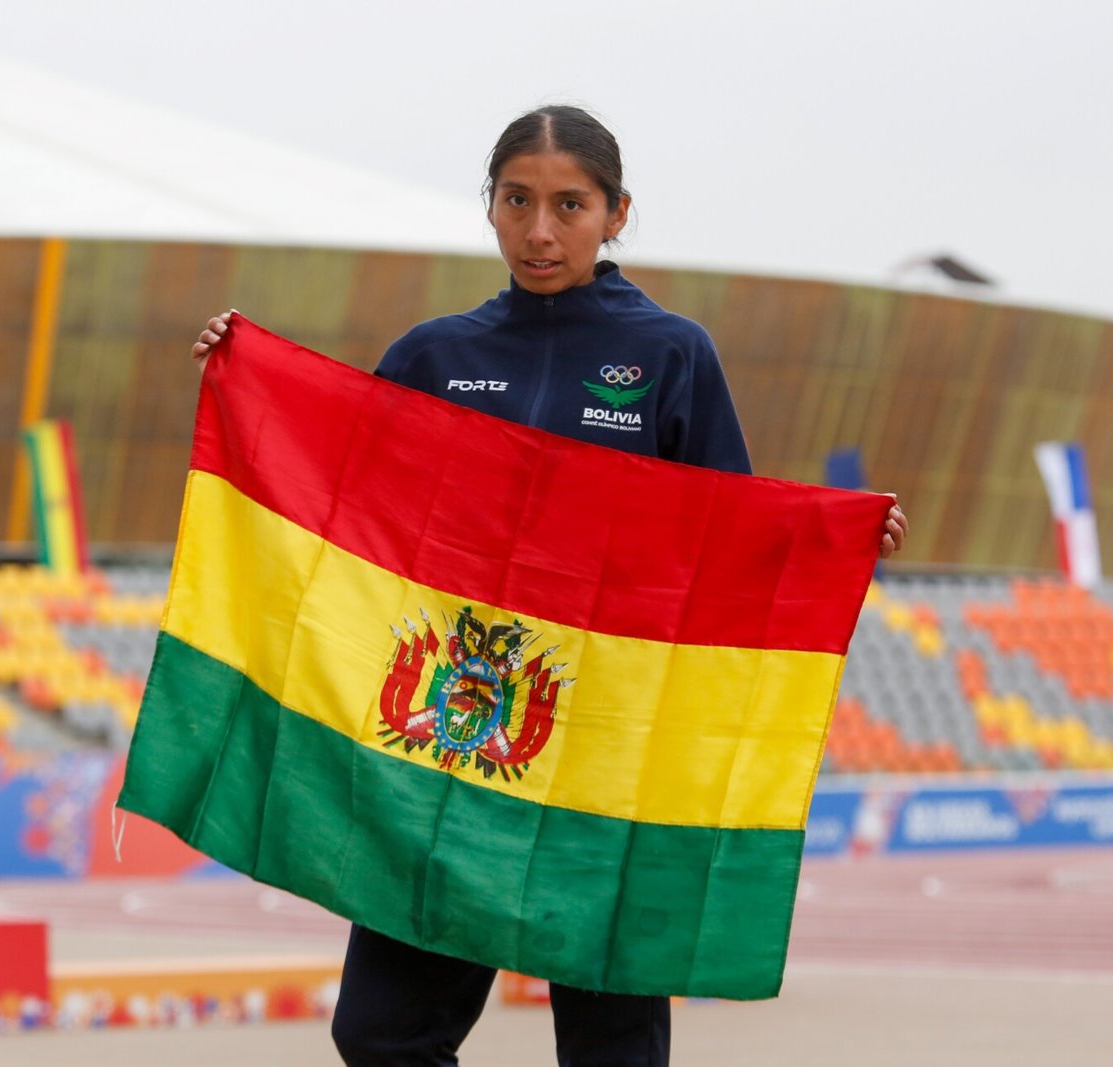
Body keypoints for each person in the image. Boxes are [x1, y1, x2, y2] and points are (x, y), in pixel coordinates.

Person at [190, 104, 908, 1067]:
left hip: (605, 763)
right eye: (517, 200)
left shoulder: (671, 354)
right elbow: (344, 502)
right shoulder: (433, 357)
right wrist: (247, 383)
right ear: (489, 205)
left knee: (611, 1052)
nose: (540, 230)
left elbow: (731, 538)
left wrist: (836, 544)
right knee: (380, 1034)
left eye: (570, 205)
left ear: (616, 215)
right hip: (452, 748)